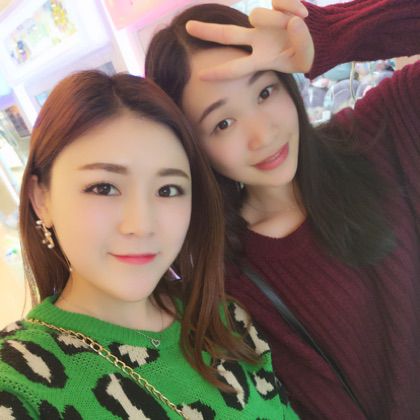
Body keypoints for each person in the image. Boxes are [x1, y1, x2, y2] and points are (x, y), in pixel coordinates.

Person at [145, 0, 420, 418]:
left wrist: (332, 36)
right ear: (194, 148)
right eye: (223, 123)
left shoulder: (378, 133)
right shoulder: (226, 283)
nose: (263, 135)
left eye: (264, 91)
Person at [0, 70, 298, 419]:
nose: (141, 225)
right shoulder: (17, 380)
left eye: (168, 190)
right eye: (104, 188)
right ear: (41, 199)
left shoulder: (225, 320)